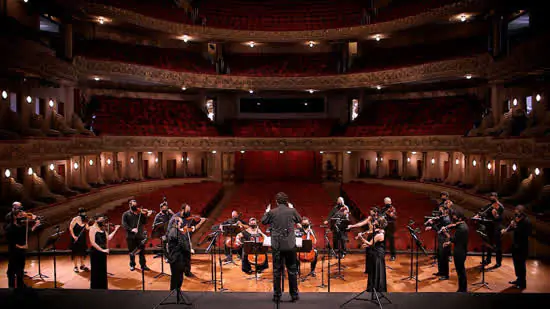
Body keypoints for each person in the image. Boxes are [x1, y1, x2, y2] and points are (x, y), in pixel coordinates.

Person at [261, 192, 302, 303]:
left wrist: (267, 211)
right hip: (289, 245)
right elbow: (299, 220)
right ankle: (294, 295)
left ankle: (277, 296)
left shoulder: (272, 212)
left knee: (277, 271)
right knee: (292, 270)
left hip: (277, 245)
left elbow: (263, 221)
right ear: (287, 201)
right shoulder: (291, 210)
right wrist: (293, 208)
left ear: (277, 201)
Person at [5, 202, 41, 289]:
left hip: (21, 251)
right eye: (20, 215)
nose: (23, 216)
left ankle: (21, 285)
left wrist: (35, 225)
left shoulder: (21, 227)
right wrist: (21, 247)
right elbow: (12, 241)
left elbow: (28, 232)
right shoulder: (10, 227)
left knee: (20, 269)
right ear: (15, 217)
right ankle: (11, 287)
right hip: (14, 251)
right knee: (12, 270)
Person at [167, 203, 206, 277]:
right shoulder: (176, 218)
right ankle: (179, 274)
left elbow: (190, 229)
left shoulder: (186, 217)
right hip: (176, 242)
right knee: (180, 259)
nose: (189, 212)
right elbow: (182, 230)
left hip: (184, 239)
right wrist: (198, 224)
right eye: (187, 210)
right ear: (182, 210)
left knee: (187, 256)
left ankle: (187, 272)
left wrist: (199, 222)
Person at [501, 205, 531, 289]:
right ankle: (518, 279)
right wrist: (506, 230)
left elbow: (525, 234)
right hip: (515, 245)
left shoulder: (526, 222)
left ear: (521, 213)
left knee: (521, 265)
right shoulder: (517, 219)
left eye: (517, 212)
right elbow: (512, 228)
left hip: (522, 247)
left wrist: (515, 226)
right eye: (515, 212)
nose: (516, 214)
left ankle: (522, 284)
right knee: (516, 264)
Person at [89, 214, 120, 289]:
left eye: (103, 220)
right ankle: (95, 288)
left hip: (103, 252)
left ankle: (103, 287)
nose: (103, 222)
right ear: (96, 220)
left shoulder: (102, 228)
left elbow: (108, 238)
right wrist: (102, 250)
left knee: (103, 270)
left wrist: (115, 230)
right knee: (96, 270)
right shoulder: (92, 229)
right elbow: (92, 242)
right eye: (101, 220)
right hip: (96, 252)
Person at [122, 199, 153, 271]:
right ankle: (132, 265)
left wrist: (147, 215)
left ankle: (143, 265)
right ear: (130, 205)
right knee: (132, 252)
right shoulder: (126, 214)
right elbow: (124, 224)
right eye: (133, 205)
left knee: (142, 251)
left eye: (136, 205)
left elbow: (144, 222)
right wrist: (131, 229)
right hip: (130, 236)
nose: (135, 206)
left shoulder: (140, 214)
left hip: (140, 235)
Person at [425, 199, 453, 280]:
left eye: (441, 210)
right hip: (441, 238)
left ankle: (446, 275)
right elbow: (438, 225)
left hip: (444, 238)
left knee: (444, 257)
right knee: (440, 256)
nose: (439, 212)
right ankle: (441, 271)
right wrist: (431, 226)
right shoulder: (443, 217)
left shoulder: (447, 219)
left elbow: (438, 229)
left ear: (445, 211)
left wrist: (432, 223)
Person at [358, 217, 387, 292]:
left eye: (376, 221)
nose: (375, 221)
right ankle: (372, 287)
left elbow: (370, 243)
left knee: (377, 270)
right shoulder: (379, 231)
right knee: (373, 270)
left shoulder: (380, 234)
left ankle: (377, 288)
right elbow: (373, 242)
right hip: (375, 252)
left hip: (377, 254)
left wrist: (361, 237)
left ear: (379, 224)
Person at [474, 192, 503, 268]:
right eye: (490, 197)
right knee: (488, 244)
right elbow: (483, 212)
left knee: (497, 245)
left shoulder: (500, 207)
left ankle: (498, 262)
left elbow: (498, 217)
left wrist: (495, 214)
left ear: (496, 197)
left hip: (496, 228)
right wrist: (477, 216)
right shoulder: (489, 206)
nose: (491, 198)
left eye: (493, 197)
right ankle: (488, 259)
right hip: (490, 227)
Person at [443, 209, 468, 292]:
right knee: (460, 271)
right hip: (461, 250)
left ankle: (462, 289)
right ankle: (462, 288)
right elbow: (458, 238)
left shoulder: (461, 228)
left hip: (459, 252)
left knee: (460, 271)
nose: (453, 217)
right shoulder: (463, 225)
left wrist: (445, 233)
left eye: (455, 216)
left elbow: (454, 239)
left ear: (460, 218)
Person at [347, 207, 379, 273]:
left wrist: (364, 233)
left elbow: (378, 229)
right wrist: (352, 226)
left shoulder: (379, 219)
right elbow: (361, 224)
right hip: (370, 236)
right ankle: (368, 269)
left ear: (376, 213)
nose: (371, 213)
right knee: (368, 253)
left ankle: (375, 269)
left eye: (372, 212)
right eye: (370, 212)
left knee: (374, 253)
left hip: (376, 236)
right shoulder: (369, 218)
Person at [166, 215, 192, 292]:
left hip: (176, 257)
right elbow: (180, 244)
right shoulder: (174, 232)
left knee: (177, 276)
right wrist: (189, 249)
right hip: (176, 257)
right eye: (180, 223)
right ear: (176, 223)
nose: (181, 224)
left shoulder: (175, 231)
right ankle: (175, 291)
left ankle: (176, 290)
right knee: (177, 276)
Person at [69, 208, 91, 272]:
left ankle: (82, 265)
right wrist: (74, 236)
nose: (84, 214)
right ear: (80, 213)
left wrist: (93, 226)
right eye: (83, 212)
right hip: (75, 237)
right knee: (75, 253)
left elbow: (87, 228)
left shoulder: (85, 220)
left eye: (84, 212)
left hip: (82, 238)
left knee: (82, 252)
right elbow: (70, 228)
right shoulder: (75, 219)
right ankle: (75, 266)